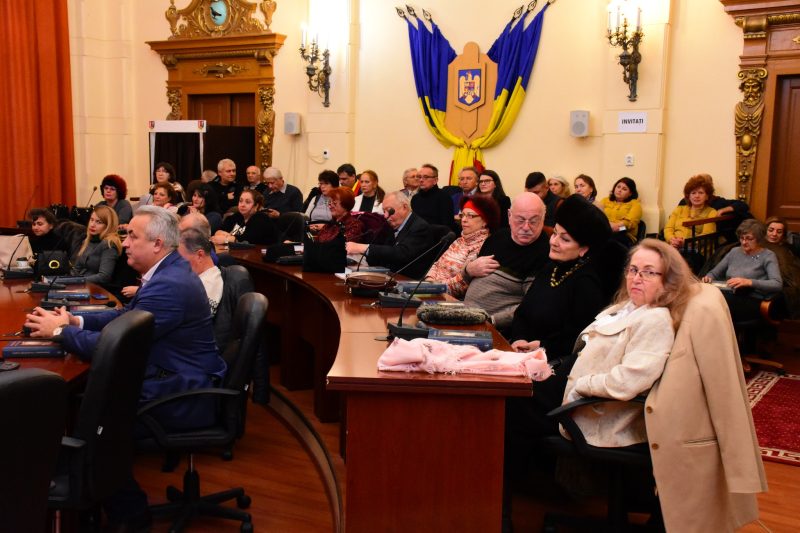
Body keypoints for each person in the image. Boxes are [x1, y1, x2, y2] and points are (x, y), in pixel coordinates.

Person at [24, 206, 226, 529]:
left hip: (184, 394)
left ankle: (129, 516)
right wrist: (75, 320)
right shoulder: (168, 271)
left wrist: (60, 332)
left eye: (132, 236)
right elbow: (125, 317)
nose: (125, 242)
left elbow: (116, 345)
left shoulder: (170, 284)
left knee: (99, 426)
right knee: (90, 408)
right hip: (171, 377)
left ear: (157, 244)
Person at [561, 239, 696, 448]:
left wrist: (581, 386)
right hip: (572, 389)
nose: (636, 278)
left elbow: (627, 381)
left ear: (669, 281)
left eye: (648, 272)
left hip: (591, 410)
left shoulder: (656, 319)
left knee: (516, 405)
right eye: (633, 270)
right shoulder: (627, 307)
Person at [509, 194, 617, 433]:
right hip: (522, 358)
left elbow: (580, 338)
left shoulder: (587, 282)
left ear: (584, 249)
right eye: (555, 234)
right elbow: (523, 312)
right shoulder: (551, 268)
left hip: (555, 373)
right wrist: (518, 338)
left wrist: (542, 347)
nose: (554, 242)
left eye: (565, 239)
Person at [460, 192, 551, 332]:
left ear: (543, 219)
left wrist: (491, 321)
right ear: (509, 216)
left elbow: (530, 306)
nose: (526, 227)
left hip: (492, 328)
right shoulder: (498, 237)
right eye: (520, 220)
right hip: (466, 316)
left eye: (534, 221)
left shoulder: (544, 253)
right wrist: (469, 269)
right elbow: (467, 277)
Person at [703, 219, 782, 323]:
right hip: (730, 294)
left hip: (753, 299)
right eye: (742, 238)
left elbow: (777, 284)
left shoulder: (768, 256)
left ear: (758, 239)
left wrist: (749, 282)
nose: (744, 242)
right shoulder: (734, 252)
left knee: (717, 305)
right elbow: (714, 273)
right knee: (707, 300)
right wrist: (708, 278)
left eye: (749, 239)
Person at [345, 191, 435, 279]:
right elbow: (383, 253)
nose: (385, 215)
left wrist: (364, 248)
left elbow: (402, 253)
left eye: (389, 211)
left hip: (406, 279)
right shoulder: (392, 226)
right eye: (384, 211)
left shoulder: (420, 227)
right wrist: (360, 260)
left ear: (404, 207)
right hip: (387, 276)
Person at [426, 195, 500, 295]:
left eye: (470, 216)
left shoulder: (482, 246)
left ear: (485, 221)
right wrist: (429, 280)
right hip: (431, 290)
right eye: (463, 215)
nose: (464, 219)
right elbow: (437, 264)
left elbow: (463, 285)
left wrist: (435, 287)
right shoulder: (459, 240)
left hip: (447, 297)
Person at [663, 174, 718, 249]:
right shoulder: (679, 209)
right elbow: (668, 228)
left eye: (701, 193)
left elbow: (707, 235)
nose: (697, 196)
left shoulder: (712, 212)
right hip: (674, 245)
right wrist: (672, 240)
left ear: (707, 196)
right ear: (688, 196)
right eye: (693, 193)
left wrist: (685, 243)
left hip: (695, 249)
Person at [70, 205, 122, 284]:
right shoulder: (87, 241)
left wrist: (78, 281)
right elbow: (76, 269)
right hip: (82, 285)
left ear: (108, 225)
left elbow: (104, 277)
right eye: (91, 220)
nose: (92, 225)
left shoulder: (109, 244)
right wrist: (65, 280)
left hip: (96, 287)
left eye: (98, 222)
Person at [212, 189, 279, 246]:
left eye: (247, 202)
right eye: (240, 201)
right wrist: (223, 235)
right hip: (239, 252)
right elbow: (219, 231)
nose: (242, 205)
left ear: (256, 206)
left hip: (259, 254)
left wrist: (227, 239)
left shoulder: (261, 218)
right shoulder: (237, 216)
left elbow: (248, 240)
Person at [410, 163, 455, 227]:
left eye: (426, 177)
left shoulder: (444, 197)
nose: (421, 180)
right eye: (419, 177)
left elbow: (447, 224)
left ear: (435, 180)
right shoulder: (415, 198)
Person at [601, 177, 642, 246]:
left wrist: (617, 227)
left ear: (630, 193)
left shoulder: (635, 204)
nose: (619, 190)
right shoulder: (605, 200)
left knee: (607, 237)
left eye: (624, 189)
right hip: (605, 229)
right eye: (618, 187)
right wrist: (608, 226)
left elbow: (630, 223)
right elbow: (597, 214)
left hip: (625, 232)